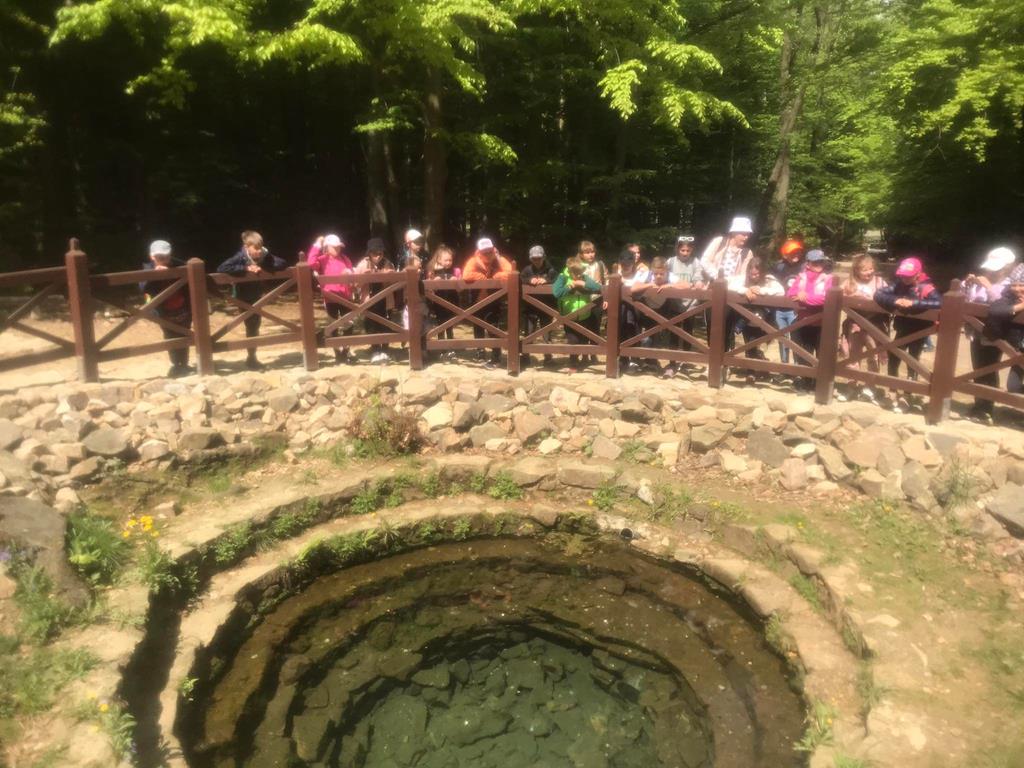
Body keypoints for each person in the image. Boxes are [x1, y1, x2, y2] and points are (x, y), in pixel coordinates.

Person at [873, 256, 942, 413]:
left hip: (920, 329)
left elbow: (940, 302)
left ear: (918, 274)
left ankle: (908, 394)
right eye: (902, 275)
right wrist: (896, 300)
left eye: (908, 276)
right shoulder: (899, 284)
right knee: (894, 355)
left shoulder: (927, 287)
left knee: (912, 359)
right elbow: (879, 294)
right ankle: (892, 389)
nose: (904, 278)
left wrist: (915, 303)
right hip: (902, 327)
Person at [217, 230, 288, 370]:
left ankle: (252, 357)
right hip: (242, 296)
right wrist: (245, 268)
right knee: (249, 325)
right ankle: (251, 357)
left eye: (260, 247)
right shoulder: (240, 256)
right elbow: (222, 268)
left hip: (257, 295)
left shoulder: (265, 255)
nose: (259, 251)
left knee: (254, 326)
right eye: (255, 248)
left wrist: (263, 266)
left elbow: (283, 263)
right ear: (246, 247)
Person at [963, 246, 1017, 423]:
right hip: (976, 331)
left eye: (996, 268)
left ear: (1007, 268)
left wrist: (987, 286)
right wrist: (968, 286)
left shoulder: (1010, 285)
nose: (991, 271)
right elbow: (969, 302)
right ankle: (978, 405)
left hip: (994, 334)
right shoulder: (981, 282)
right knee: (978, 369)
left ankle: (987, 408)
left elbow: (1001, 305)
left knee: (990, 369)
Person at [838, 254, 888, 403]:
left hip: (875, 325)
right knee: (853, 356)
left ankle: (870, 387)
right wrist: (853, 298)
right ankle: (851, 385)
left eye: (871, 269)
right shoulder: (849, 283)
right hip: (854, 325)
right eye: (865, 270)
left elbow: (889, 299)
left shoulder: (880, 282)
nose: (869, 272)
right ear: (856, 270)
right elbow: (837, 298)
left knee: (874, 356)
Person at [141, 240, 192, 378]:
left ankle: (184, 363)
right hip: (163, 311)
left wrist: (173, 272)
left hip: (183, 309)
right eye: (159, 257)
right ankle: (176, 364)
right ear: (152, 257)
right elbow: (142, 287)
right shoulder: (147, 268)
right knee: (169, 336)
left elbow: (195, 276)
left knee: (185, 335)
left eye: (166, 257)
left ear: (170, 255)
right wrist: (153, 275)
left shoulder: (181, 265)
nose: (163, 260)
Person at [786, 249, 834, 390]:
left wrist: (805, 298)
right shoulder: (801, 277)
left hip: (822, 323)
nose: (819, 264)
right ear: (808, 264)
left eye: (821, 262)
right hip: (803, 321)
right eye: (815, 262)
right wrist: (799, 295)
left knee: (821, 354)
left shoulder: (828, 278)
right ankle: (806, 380)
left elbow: (827, 298)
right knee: (805, 353)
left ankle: (819, 384)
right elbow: (790, 293)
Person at [463, 237, 514, 368]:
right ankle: (480, 352)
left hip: (494, 300)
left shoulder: (499, 260)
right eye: (484, 252)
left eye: (489, 251)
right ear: (479, 252)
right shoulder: (473, 261)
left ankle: (496, 355)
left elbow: (511, 273)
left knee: (493, 327)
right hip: (477, 299)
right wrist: (483, 278)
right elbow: (466, 275)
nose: (487, 254)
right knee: (477, 325)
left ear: (493, 250)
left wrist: (497, 275)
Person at [306, 234, 354, 364]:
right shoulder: (322, 260)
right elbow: (311, 263)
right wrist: (317, 245)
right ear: (327, 247)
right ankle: (337, 352)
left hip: (346, 297)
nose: (337, 249)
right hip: (330, 298)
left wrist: (349, 274)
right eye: (334, 247)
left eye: (339, 247)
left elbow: (351, 272)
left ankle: (346, 351)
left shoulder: (345, 258)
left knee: (349, 324)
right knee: (333, 325)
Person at [735, 256, 784, 383]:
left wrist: (762, 291)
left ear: (762, 272)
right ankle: (751, 372)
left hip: (765, 320)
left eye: (757, 274)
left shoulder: (769, 280)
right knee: (749, 345)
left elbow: (781, 291)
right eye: (751, 274)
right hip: (747, 319)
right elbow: (731, 285)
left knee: (759, 345)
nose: (754, 277)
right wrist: (745, 290)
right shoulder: (743, 279)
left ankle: (761, 367)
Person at [983, 264, 1024, 409]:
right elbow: (995, 311)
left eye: (1021, 285)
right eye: (1014, 284)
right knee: (1013, 386)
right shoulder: (1008, 296)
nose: (1017, 289)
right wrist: (1020, 307)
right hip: (1020, 350)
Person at [553, 257, 602, 372]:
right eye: (577, 274)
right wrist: (570, 286)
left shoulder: (583, 277)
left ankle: (584, 358)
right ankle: (573, 362)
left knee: (584, 339)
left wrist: (583, 283)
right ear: (570, 271)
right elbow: (556, 292)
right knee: (573, 340)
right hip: (568, 316)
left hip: (584, 314)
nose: (579, 276)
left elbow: (597, 287)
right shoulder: (563, 277)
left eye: (580, 273)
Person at [353, 237, 397, 364]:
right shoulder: (362, 264)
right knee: (371, 326)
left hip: (385, 301)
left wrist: (390, 276)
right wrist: (364, 277)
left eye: (380, 253)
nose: (378, 256)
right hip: (370, 301)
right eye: (374, 253)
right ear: (369, 253)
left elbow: (396, 284)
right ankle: (375, 350)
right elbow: (355, 285)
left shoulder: (389, 264)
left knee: (386, 325)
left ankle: (385, 350)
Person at [634, 257, 680, 375]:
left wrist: (670, 285)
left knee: (672, 332)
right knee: (648, 334)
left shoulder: (671, 276)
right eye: (656, 274)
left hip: (666, 308)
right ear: (652, 271)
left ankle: (672, 364)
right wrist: (650, 285)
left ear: (666, 272)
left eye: (661, 274)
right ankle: (646, 361)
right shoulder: (647, 275)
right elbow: (634, 288)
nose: (658, 276)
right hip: (647, 308)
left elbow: (687, 285)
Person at [665, 235, 705, 365]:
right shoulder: (670, 262)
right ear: (677, 249)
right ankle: (672, 361)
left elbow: (698, 276)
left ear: (692, 250)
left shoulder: (696, 262)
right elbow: (663, 275)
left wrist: (698, 283)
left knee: (688, 331)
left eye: (688, 250)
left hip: (691, 303)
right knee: (674, 332)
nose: (685, 253)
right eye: (682, 250)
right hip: (674, 303)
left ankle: (685, 360)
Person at [520, 245, 558, 368]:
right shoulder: (526, 270)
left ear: (544, 257)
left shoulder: (551, 270)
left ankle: (548, 357)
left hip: (546, 306)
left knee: (546, 332)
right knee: (529, 332)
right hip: (530, 307)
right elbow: (520, 280)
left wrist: (546, 281)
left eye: (539, 258)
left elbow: (558, 281)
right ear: (530, 259)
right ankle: (525, 356)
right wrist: (529, 280)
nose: (537, 260)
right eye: (534, 258)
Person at [617, 249, 652, 373]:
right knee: (621, 333)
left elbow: (638, 286)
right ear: (620, 263)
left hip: (636, 310)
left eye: (629, 264)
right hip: (620, 310)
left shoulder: (640, 273)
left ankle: (634, 359)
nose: (626, 266)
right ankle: (622, 359)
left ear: (633, 263)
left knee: (634, 333)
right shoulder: (616, 274)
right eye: (624, 264)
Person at [425, 245, 462, 361]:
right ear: (439, 260)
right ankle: (441, 349)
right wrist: (435, 282)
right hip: (439, 303)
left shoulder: (455, 271)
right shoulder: (433, 272)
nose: (449, 262)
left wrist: (456, 282)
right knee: (441, 326)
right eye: (446, 260)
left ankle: (450, 348)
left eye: (450, 260)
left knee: (450, 325)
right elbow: (429, 289)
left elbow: (460, 289)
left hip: (452, 301)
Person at [773, 238, 805, 365]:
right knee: (782, 337)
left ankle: (797, 365)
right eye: (792, 252)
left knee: (797, 338)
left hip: (796, 309)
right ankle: (784, 365)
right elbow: (771, 281)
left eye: (798, 251)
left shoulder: (804, 267)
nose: (796, 254)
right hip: (780, 308)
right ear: (785, 254)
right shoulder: (779, 267)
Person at [701, 216, 755, 284]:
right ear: (734, 233)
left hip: (732, 287)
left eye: (748, 234)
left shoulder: (747, 253)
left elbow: (744, 275)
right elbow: (705, 260)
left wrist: (729, 281)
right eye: (743, 234)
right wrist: (717, 276)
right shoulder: (719, 242)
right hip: (712, 284)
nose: (746, 237)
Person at [578, 240, 607, 365]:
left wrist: (606, 298)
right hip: (582, 300)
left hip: (597, 300)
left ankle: (594, 354)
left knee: (595, 327)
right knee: (583, 327)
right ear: (581, 254)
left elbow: (606, 281)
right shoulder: (577, 265)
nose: (591, 255)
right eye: (587, 252)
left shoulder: (600, 264)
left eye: (592, 252)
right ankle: (584, 355)